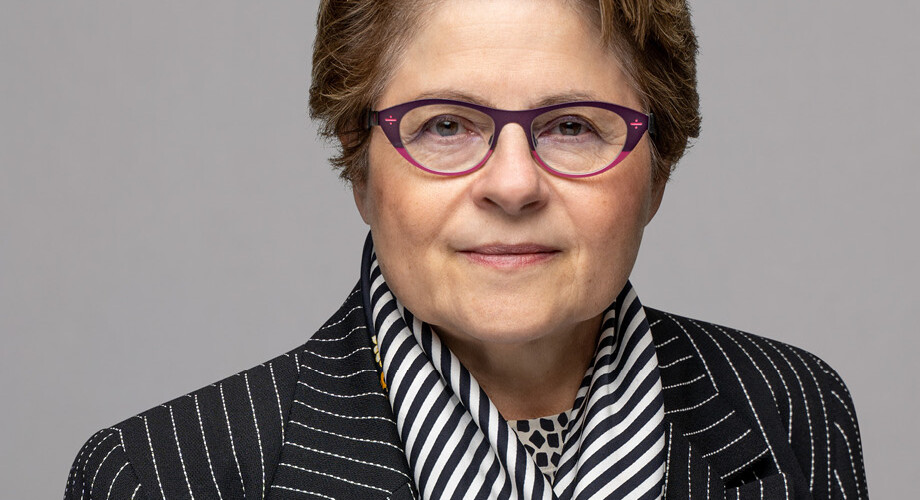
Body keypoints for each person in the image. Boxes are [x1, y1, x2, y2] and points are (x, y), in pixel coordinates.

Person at [65, 0, 868, 498]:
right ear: (360, 167)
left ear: (658, 168)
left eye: (572, 126)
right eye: (445, 125)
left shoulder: (790, 411)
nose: (512, 185)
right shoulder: (163, 478)